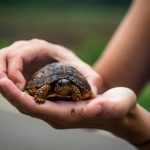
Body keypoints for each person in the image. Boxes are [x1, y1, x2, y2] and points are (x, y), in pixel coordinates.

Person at [0, 0, 150, 149]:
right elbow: (103, 92)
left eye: (67, 84)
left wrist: (135, 124)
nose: (64, 85)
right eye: (61, 84)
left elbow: (95, 103)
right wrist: (61, 54)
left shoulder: (72, 88)